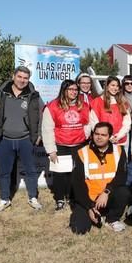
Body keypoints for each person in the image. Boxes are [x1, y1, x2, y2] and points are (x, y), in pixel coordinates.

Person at [0, 66, 44, 212]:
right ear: (13, 76)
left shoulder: (34, 95)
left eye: (25, 78)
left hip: (26, 140)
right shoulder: (0, 94)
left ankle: (33, 197)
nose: (22, 80)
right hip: (3, 140)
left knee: (31, 171)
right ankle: (4, 199)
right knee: (4, 172)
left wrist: (38, 136)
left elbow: (43, 115)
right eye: (20, 77)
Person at [42, 79, 97, 211]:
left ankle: (75, 196)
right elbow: (47, 129)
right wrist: (51, 150)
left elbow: (89, 122)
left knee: (77, 173)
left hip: (79, 144)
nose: (74, 92)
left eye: (75, 90)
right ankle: (60, 198)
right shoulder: (53, 106)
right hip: (61, 145)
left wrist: (85, 134)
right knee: (60, 174)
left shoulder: (83, 105)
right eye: (70, 89)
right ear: (64, 90)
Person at [70, 122, 129, 234]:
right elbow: (78, 184)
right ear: (92, 135)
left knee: (123, 191)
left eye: (103, 135)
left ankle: (112, 219)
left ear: (109, 136)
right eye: (96, 134)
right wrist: (89, 207)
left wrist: (106, 192)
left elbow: (122, 177)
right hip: (88, 199)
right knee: (79, 229)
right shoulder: (82, 152)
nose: (99, 137)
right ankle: (95, 215)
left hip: (108, 196)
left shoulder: (119, 151)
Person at [90, 76, 131, 149]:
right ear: (107, 86)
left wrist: (118, 136)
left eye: (117, 86)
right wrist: (107, 136)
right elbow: (94, 122)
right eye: (112, 85)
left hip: (119, 141)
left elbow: (127, 122)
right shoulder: (97, 101)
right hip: (103, 142)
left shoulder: (123, 102)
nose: (115, 88)